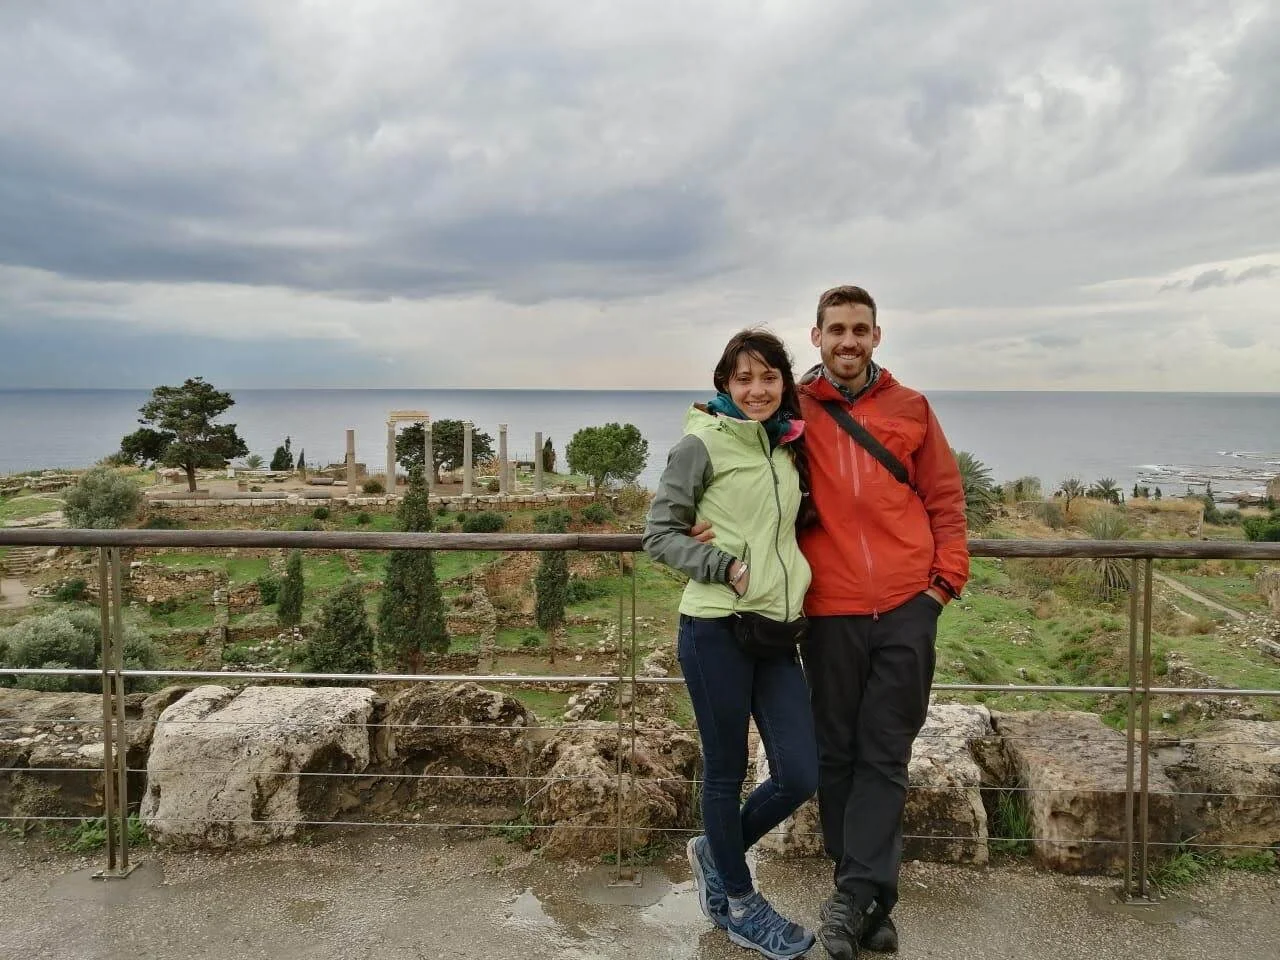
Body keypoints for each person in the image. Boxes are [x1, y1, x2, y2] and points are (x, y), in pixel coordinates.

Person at [796, 284, 969, 959]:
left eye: (859, 329)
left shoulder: (911, 407)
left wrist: (941, 588)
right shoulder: (795, 410)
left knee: (885, 755)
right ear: (816, 337)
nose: (848, 340)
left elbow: (946, 499)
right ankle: (865, 898)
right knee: (837, 755)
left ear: (877, 336)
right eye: (836, 329)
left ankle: (850, 901)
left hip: (905, 608)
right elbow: (747, 478)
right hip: (829, 611)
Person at [643, 329, 819, 960]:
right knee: (724, 773)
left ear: (783, 383)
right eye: (743, 379)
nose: (756, 390)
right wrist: (724, 565)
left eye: (768, 377)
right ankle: (741, 905)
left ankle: (713, 852)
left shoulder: (787, 444)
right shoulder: (701, 442)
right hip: (715, 627)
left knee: (801, 771)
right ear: (724, 384)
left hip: (775, 630)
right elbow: (659, 535)